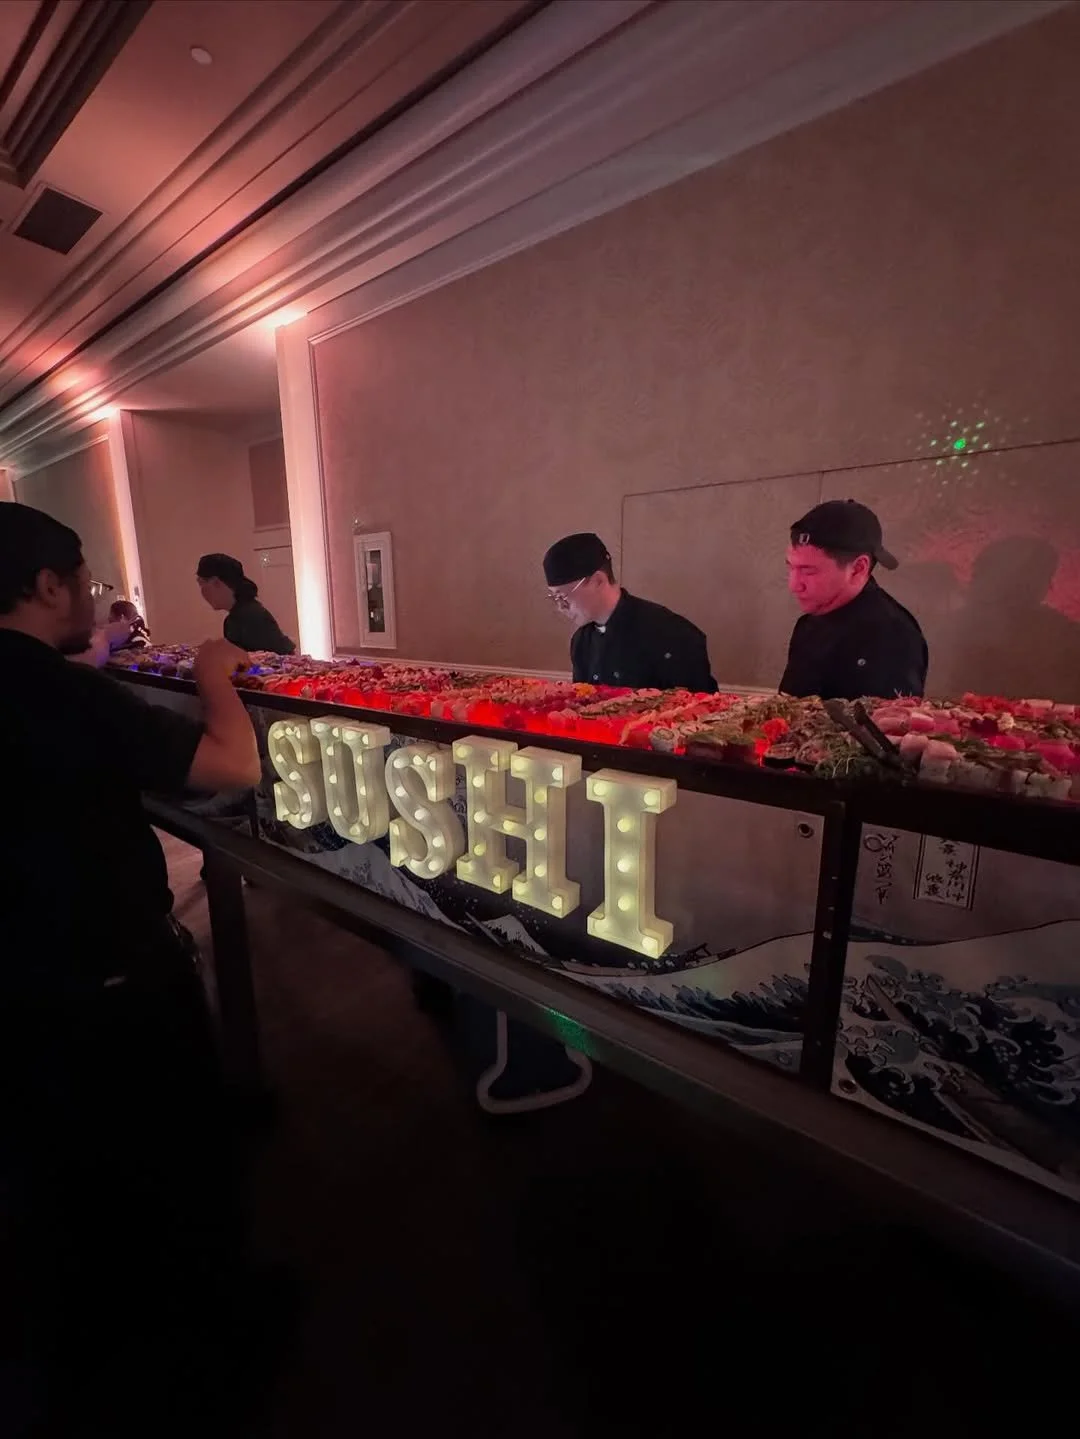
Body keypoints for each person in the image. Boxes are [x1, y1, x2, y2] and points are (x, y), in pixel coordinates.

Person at [0, 504, 265, 1432]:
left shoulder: (56, 687)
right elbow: (232, 761)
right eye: (83, 575)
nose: (93, 592)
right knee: (180, 1159)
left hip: (21, 993)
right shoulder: (65, 696)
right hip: (112, 981)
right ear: (46, 584)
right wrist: (214, 672)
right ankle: (212, 1352)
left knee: (62, 1184)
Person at [780, 499, 927, 700]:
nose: (794, 585)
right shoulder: (807, 624)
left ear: (858, 568)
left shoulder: (891, 633)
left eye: (808, 571)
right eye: (791, 567)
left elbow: (889, 727)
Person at [542, 532, 717, 692]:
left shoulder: (672, 634)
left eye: (563, 596)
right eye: (555, 598)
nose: (561, 607)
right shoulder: (581, 642)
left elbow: (701, 714)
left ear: (597, 581)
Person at [197, 552, 295, 655]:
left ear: (216, 582)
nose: (202, 591)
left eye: (201, 583)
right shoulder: (236, 617)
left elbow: (272, 663)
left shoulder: (250, 616)